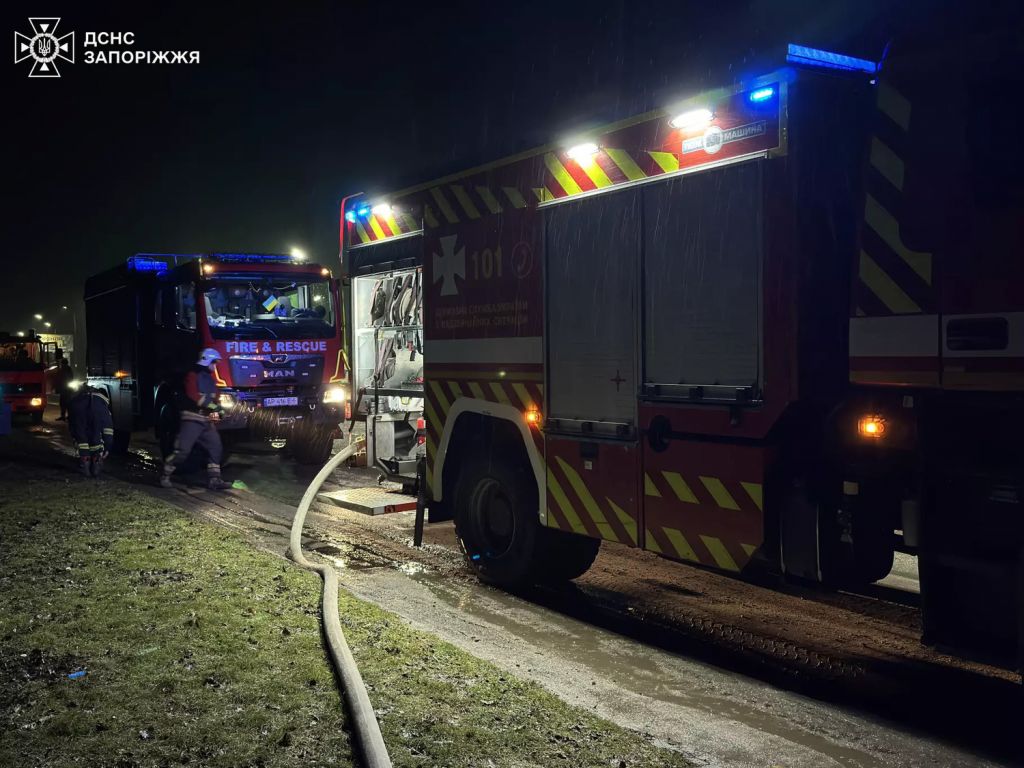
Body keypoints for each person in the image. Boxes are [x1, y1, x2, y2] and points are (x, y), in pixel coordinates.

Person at [160, 348, 230, 490]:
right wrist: (214, 407)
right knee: (183, 451)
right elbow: (194, 396)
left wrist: (220, 409)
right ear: (207, 361)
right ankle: (165, 474)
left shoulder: (209, 378)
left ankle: (214, 480)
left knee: (215, 446)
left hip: (206, 420)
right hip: (192, 419)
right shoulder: (193, 375)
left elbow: (215, 396)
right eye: (214, 363)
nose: (215, 366)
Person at [67, 385, 113, 477]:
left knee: (81, 436)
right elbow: (108, 428)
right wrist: (107, 447)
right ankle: (96, 460)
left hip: (77, 410)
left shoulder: (76, 399)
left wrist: (74, 434)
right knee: (96, 435)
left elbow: (73, 426)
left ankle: (84, 462)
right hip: (96, 411)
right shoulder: (102, 403)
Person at [55, 356, 74, 421]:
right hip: (66, 389)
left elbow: (59, 379)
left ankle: (65, 416)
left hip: (65, 389)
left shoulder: (64, 370)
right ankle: (67, 416)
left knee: (64, 403)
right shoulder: (68, 369)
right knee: (65, 403)